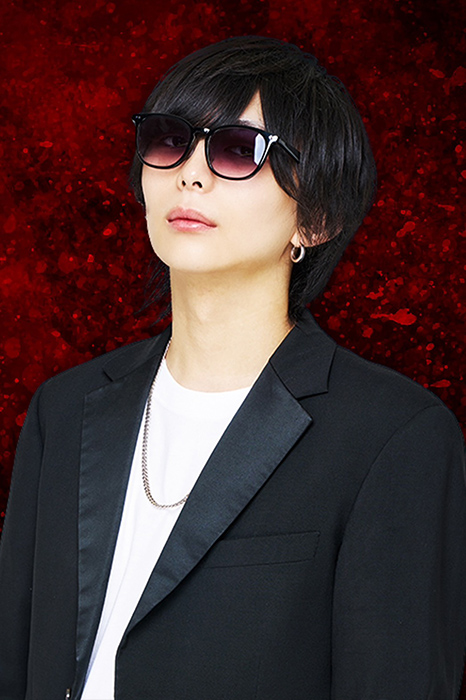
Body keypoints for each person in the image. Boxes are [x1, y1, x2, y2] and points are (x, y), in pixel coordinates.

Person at [0, 35, 465, 700]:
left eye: (238, 150)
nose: (191, 173)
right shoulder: (64, 409)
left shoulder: (394, 437)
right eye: (169, 140)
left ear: (316, 218)